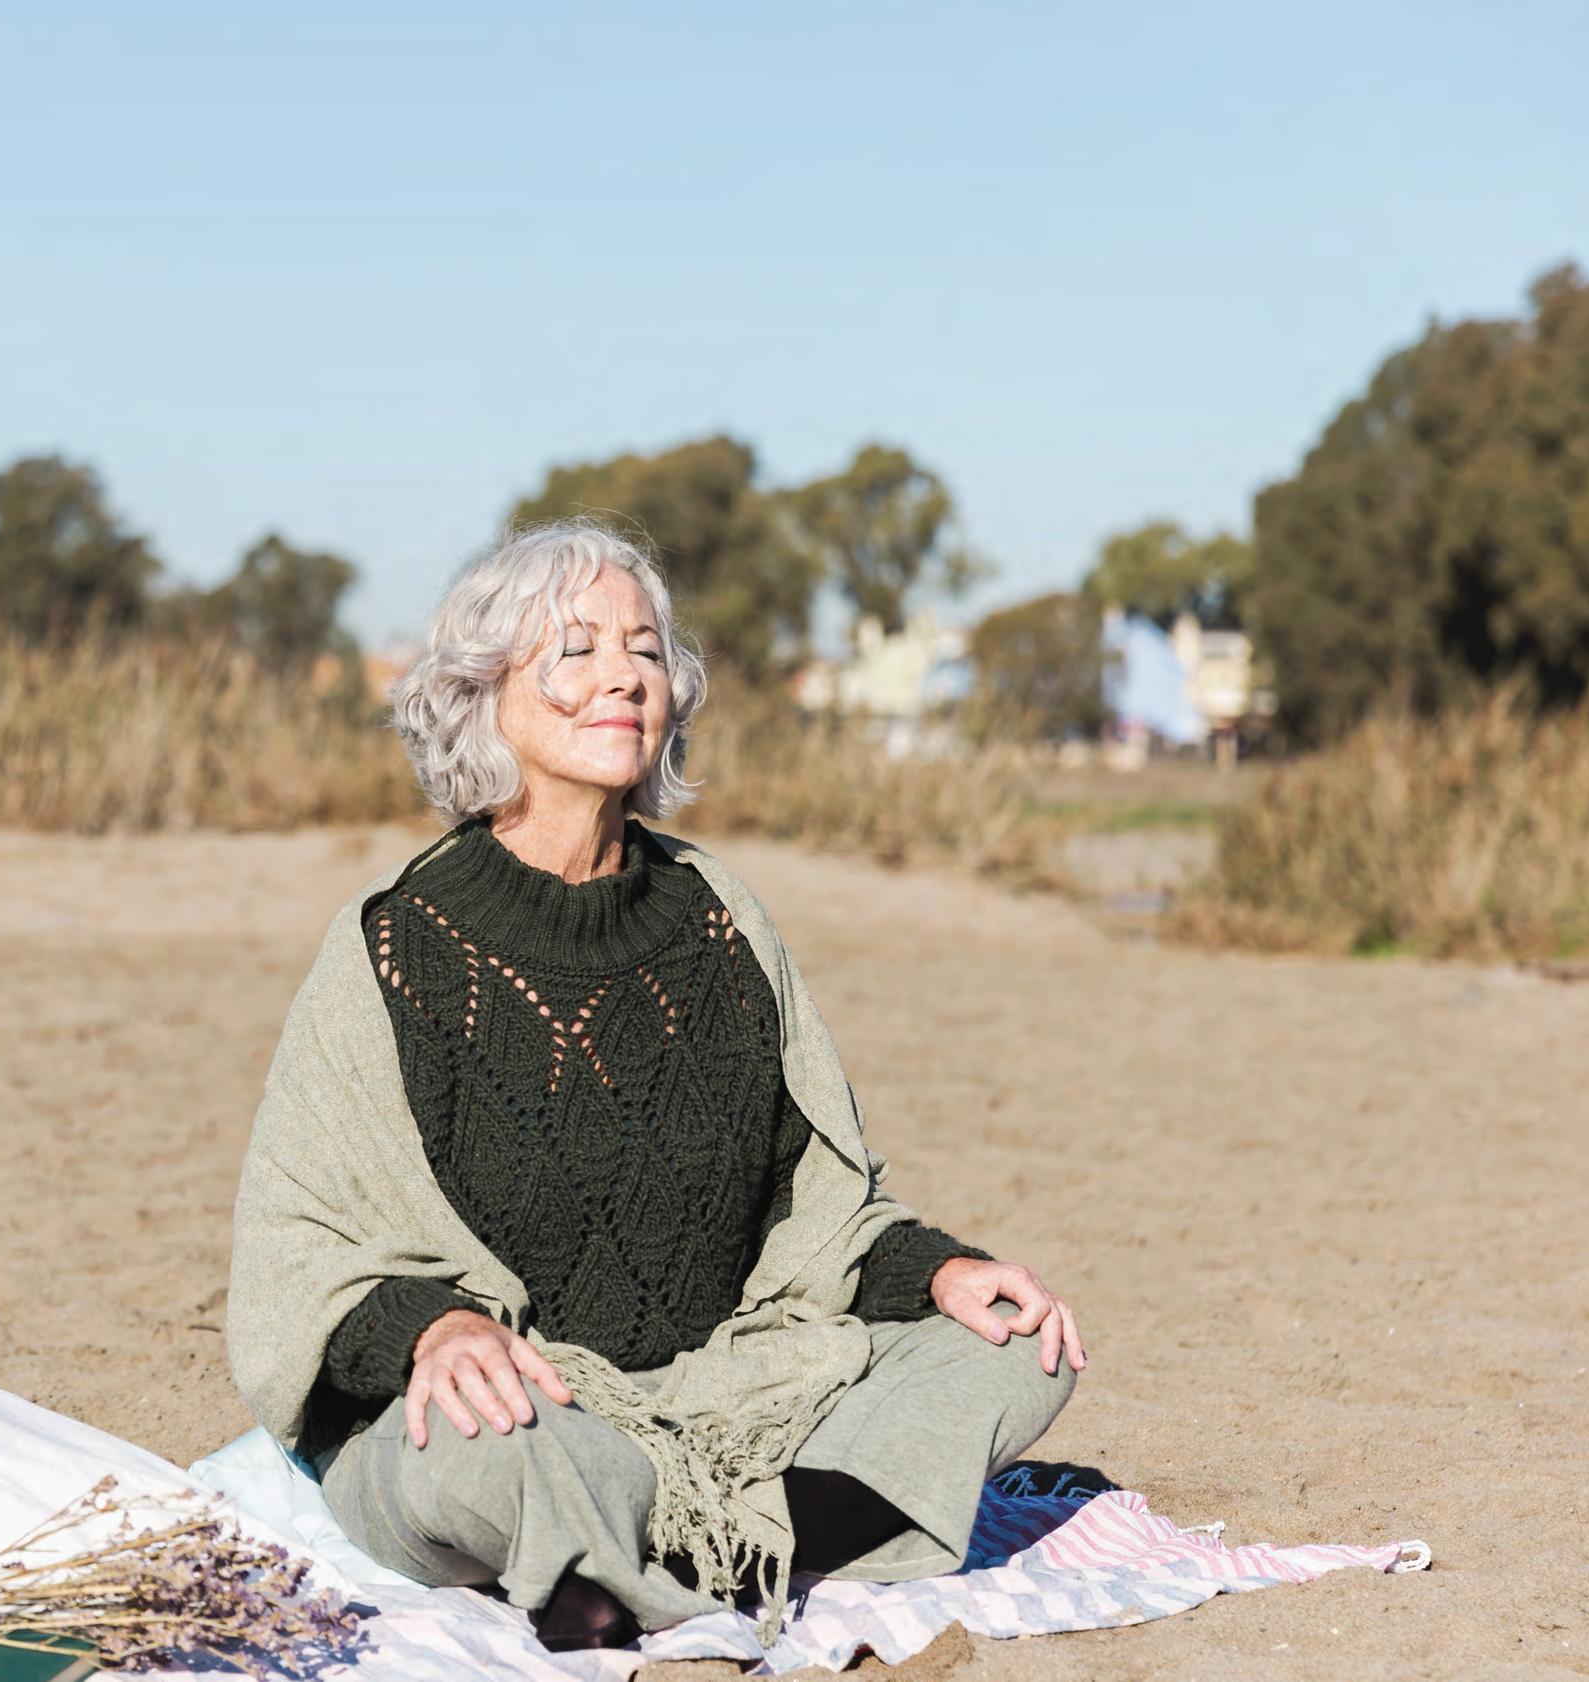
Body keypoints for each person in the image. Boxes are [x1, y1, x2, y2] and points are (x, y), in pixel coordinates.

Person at [226, 521, 1085, 1652]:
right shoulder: (393, 942)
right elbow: (298, 1248)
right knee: (494, 1447)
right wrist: (433, 1328)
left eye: (643, 648)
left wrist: (940, 1270)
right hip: (536, 1409)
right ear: (482, 691)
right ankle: (728, 1546)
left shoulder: (719, 920)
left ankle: (646, 1567)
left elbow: (813, 1201)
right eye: (574, 648)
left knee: (1016, 1345)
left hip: (732, 1393)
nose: (624, 675)